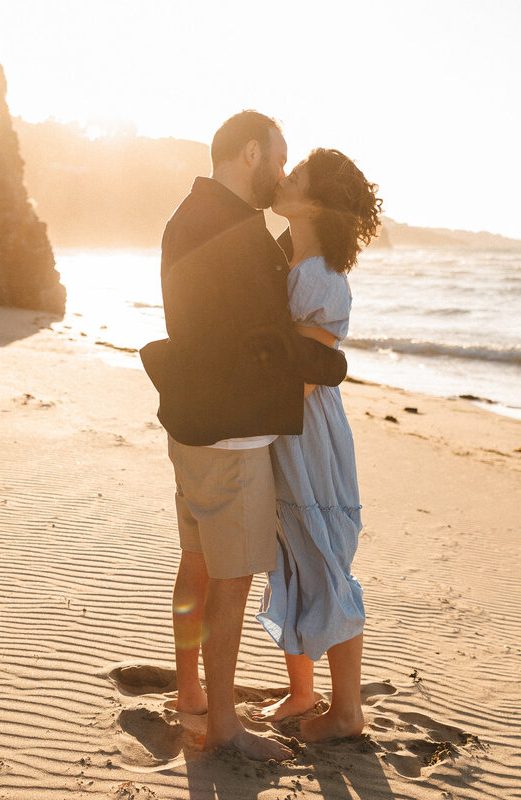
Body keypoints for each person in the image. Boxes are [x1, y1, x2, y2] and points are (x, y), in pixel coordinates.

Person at [140, 111, 348, 761]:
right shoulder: (236, 231)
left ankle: (191, 692)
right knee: (231, 581)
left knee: (197, 560)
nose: (282, 174)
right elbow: (264, 342)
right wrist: (330, 363)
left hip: (190, 424)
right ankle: (225, 724)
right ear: (252, 153)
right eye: (279, 160)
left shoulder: (189, 215)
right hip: (230, 437)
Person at [252, 148, 382, 742]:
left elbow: (304, 376)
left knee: (324, 558)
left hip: (308, 433)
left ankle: (348, 710)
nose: (283, 179)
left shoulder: (321, 277)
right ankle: (303, 692)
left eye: (296, 176)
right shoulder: (294, 263)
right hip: (287, 427)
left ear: (314, 203)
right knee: (292, 554)